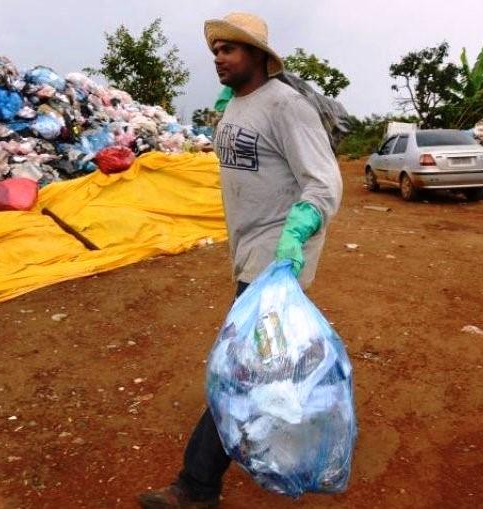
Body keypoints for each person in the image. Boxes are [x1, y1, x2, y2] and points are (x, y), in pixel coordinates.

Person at [137, 12, 343, 509]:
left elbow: (325, 181)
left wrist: (296, 234)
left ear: (257, 55)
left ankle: (197, 485)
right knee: (270, 362)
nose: (219, 58)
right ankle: (299, 418)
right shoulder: (234, 107)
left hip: (277, 258)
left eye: (230, 50)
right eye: (216, 51)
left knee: (237, 369)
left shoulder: (287, 107)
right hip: (248, 250)